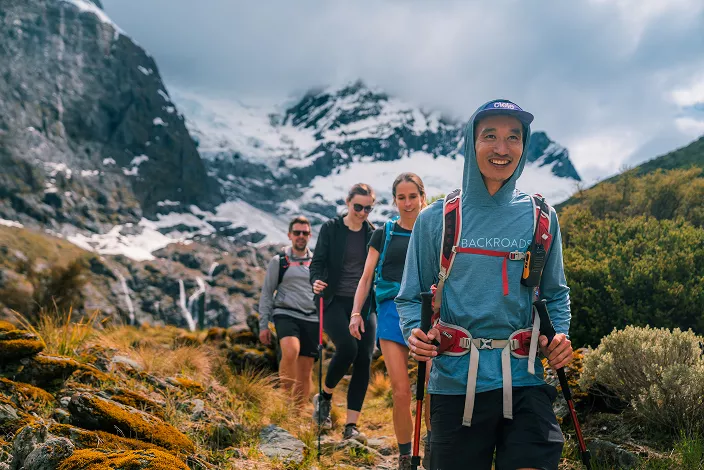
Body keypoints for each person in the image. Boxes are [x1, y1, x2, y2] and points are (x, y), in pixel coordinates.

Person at [396, 99, 573, 470]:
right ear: (470, 143)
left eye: (514, 137)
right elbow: (411, 296)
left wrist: (559, 337)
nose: (502, 148)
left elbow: (555, 294)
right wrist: (415, 332)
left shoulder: (541, 217)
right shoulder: (437, 219)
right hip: (455, 382)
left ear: (524, 147)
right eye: (489, 136)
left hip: (525, 379)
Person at [351, 173, 431, 470]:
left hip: (429, 315)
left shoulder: (435, 232)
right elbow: (366, 277)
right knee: (400, 390)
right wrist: (356, 313)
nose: (407, 203)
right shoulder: (383, 233)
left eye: (413, 196)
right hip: (390, 313)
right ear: (395, 200)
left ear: (423, 197)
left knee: (433, 386)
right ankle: (406, 455)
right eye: (401, 197)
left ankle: (435, 446)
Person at [310, 183, 377, 443]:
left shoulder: (373, 233)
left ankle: (351, 426)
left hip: (363, 304)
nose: (362, 212)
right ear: (348, 203)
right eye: (357, 207)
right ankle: (325, 397)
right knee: (348, 348)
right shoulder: (331, 229)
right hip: (334, 301)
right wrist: (316, 280)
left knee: (364, 359)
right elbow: (317, 262)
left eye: (368, 208)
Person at [258, 216, 317, 406]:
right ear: (290, 235)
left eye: (305, 233)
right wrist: (263, 325)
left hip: (312, 317)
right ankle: (284, 401)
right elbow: (267, 293)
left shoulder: (317, 262)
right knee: (291, 352)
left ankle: (297, 415)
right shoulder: (279, 261)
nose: (301, 236)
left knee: (306, 369)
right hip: (285, 313)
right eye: (297, 233)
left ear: (310, 235)